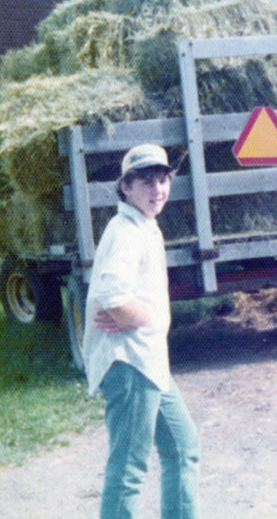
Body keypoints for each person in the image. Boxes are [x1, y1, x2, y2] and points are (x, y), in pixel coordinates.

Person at [82, 143, 200, 519]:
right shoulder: (126, 231)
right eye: (146, 181)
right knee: (130, 470)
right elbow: (110, 293)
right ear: (125, 187)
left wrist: (137, 317)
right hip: (129, 363)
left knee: (183, 446)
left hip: (149, 361)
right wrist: (142, 318)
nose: (157, 189)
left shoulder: (144, 226)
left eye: (162, 179)